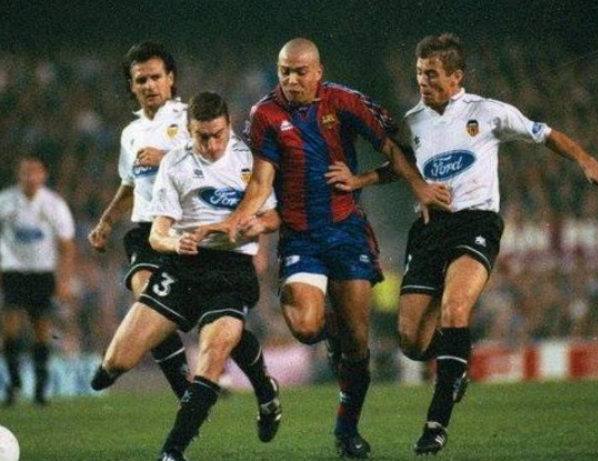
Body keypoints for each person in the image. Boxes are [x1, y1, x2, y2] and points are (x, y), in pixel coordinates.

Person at [327, 33, 598, 455]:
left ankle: (435, 425)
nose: (424, 81)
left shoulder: (488, 112)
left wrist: (585, 159)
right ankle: (458, 357)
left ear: (456, 77)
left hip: (476, 222)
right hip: (429, 229)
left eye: (432, 74)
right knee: (412, 342)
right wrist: (360, 179)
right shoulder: (414, 120)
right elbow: (401, 165)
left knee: (455, 310)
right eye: (420, 73)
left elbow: (545, 134)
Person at [196, 38, 451, 458]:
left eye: (300, 72)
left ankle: (347, 431)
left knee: (358, 343)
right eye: (284, 71)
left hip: (347, 231)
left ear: (318, 72)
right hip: (300, 235)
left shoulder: (344, 102)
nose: (292, 79)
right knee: (306, 327)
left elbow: (393, 148)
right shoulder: (265, 114)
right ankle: (330, 330)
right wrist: (237, 218)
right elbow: (260, 181)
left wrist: (409, 186)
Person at [97, 92, 282, 461]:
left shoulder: (250, 159)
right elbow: (157, 234)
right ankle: (264, 385)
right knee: (117, 362)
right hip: (184, 264)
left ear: (229, 126)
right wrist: (174, 242)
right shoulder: (175, 164)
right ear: (189, 131)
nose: (211, 145)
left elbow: (274, 216)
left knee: (214, 351)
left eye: (218, 135)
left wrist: (257, 225)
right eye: (202, 137)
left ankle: (173, 451)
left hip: (231, 269)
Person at [87, 41, 274, 405]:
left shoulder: (194, 118)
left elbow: (236, 175)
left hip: (191, 234)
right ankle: (184, 389)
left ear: (171, 79)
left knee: (214, 320)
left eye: (156, 77)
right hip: (149, 230)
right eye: (141, 80)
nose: (149, 85)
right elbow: (130, 183)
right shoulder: (131, 133)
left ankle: (257, 383)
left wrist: (258, 243)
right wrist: (107, 221)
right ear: (131, 85)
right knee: (146, 293)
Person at [0, 156, 75, 406]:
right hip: (12, 271)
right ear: (18, 176)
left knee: (41, 330)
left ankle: (40, 388)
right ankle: (13, 384)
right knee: (9, 327)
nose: (29, 178)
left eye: (34, 173)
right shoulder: (5, 202)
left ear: (43, 176)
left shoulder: (54, 204)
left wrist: (64, 281)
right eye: (25, 173)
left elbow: (66, 245)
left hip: (42, 273)